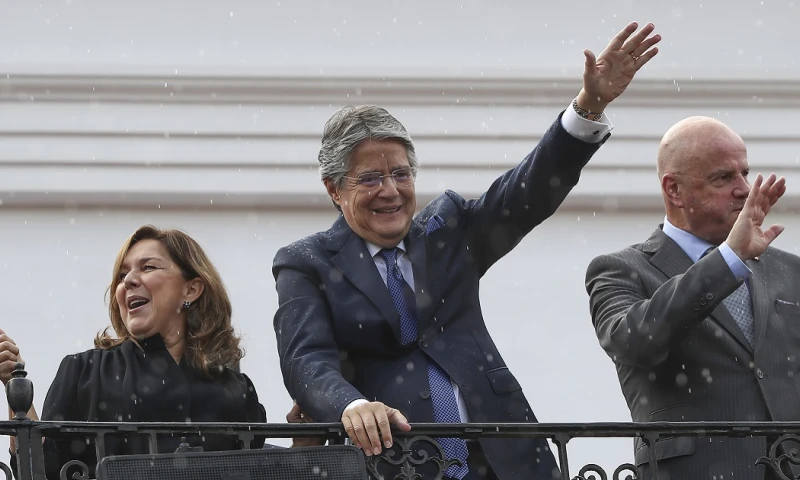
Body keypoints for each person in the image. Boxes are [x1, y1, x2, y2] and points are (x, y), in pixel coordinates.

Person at [272, 21, 661, 480]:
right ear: (334, 190)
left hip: (506, 460)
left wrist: (589, 106)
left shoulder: (449, 230)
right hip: (394, 464)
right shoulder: (306, 262)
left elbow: (526, 191)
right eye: (370, 179)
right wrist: (352, 406)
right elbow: (306, 361)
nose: (390, 192)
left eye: (400, 174)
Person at [585, 116, 799, 479]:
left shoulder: (789, 269)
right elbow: (636, 343)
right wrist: (728, 259)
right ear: (674, 190)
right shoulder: (619, 269)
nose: (744, 189)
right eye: (723, 177)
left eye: (745, 173)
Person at [2, 225, 268, 480]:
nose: (128, 281)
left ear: (191, 289)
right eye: (122, 275)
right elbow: (42, 470)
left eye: (148, 267)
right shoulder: (85, 371)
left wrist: (304, 443)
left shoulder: (236, 389)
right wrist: (14, 387)